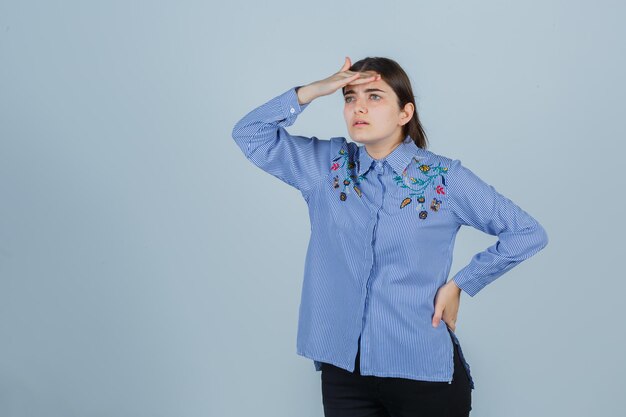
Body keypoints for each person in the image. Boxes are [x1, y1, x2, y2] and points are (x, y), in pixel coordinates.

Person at [231, 56, 549, 417]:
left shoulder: (444, 179)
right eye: (350, 97)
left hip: (423, 374)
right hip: (344, 375)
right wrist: (316, 90)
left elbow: (526, 233)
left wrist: (461, 283)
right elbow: (249, 133)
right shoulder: (326, 167)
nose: (359, 107)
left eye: (375, 96)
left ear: (405, 113)